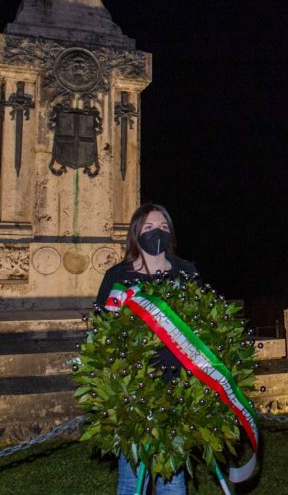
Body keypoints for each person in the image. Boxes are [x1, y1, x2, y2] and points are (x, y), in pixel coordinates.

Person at [95, 203, 198, 495]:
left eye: (164, 227)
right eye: (149, 227)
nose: (157, 233)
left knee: (172, 480)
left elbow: (201, 324)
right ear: (136, 233)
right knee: (132, 480)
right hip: (133, 391)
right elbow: (102, 331)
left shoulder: (185, 272)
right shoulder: (118, 276)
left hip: (177, 388)